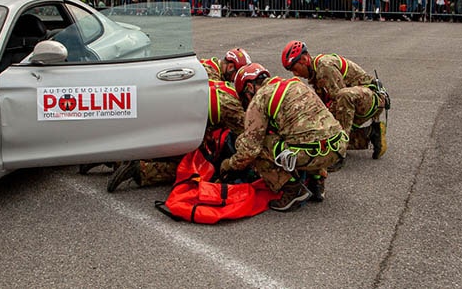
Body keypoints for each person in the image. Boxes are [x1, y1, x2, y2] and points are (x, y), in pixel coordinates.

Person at [219, 63, 348, 211]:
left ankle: (292, 189)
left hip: (310, 154)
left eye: (244, 97)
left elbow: (249, 150)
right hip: (338, 146)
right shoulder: (295, 84)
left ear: (249, 88)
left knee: (255, 146)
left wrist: (228, 165)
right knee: (308, 133)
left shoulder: (260, 98)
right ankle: (317, 182)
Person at [106, 78, 247, 192]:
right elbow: (248, 141)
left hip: (171, 109)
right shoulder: (235, 108)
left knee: (161, 146)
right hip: (180, 121)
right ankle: (141, 170)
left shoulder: (225, 87)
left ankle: (112, 159)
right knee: (189, 165)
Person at [281, 40, 389, 160]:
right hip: (360, 100)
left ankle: (338, 152)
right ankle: (371, 134)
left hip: (373, 99)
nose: (295, 74)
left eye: (295, 69)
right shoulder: (315, 72)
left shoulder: (324, 67)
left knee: (341, 100)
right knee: (321, 130)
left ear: (304, 60)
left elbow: (340, 100)